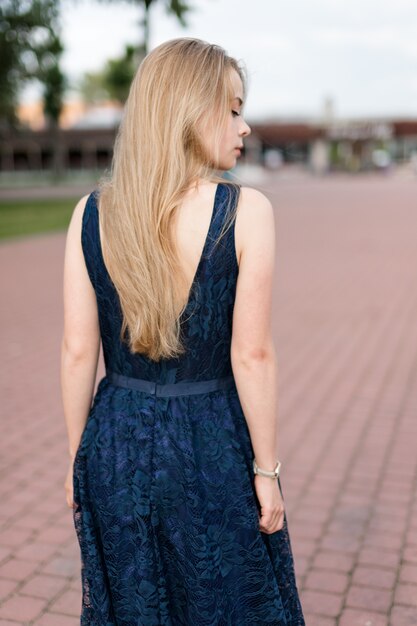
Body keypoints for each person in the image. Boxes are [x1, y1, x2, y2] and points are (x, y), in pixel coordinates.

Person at [61, 37, 305, 625]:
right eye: (234, 108)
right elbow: (252, 354)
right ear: (193, 110)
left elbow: (76, 352)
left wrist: (79, 465)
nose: (244, 126)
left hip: (114, 443)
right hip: (208, 442)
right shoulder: (247, 212)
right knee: (230, 601)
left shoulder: (92, 212)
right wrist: (267, 472)